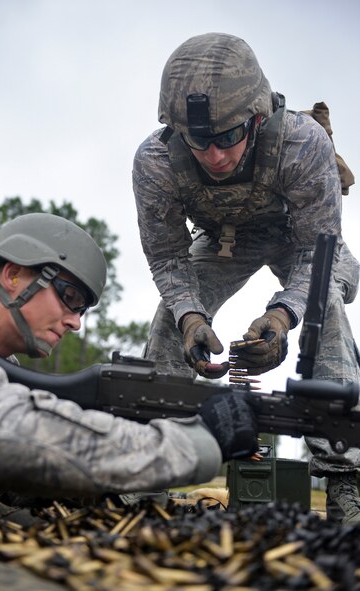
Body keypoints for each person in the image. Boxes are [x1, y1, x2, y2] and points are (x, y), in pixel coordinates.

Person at [132, 32, 360, 524]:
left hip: (300, 240)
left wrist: (282, 316)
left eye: (228, 138)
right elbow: (168, 258)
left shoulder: (303, 144)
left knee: (329, 312)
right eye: (199, 141)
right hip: (223, 237)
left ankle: (345, 481)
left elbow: (318, 259)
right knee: (167, 323)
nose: (214, 156)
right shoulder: (155, 162)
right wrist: (191, 319)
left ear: (256, 120)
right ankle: (148, 474)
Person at [0, 212, 258, 502]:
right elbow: (11, 437)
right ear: (13, 274)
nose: (75, 323)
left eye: (82, 310)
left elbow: (19, 484)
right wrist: (193, 444)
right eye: (70, 298)